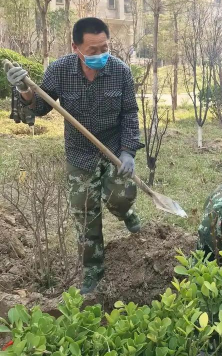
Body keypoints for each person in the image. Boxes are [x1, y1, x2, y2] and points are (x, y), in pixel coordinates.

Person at [6, 17, 144, 294]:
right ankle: (93, 271)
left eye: (105, 48)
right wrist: (24, 89)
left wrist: (128, 152)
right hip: (80, 154)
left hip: (114, 149)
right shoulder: (59, 70)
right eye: (93, 50)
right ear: (75, 47)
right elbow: (40, 108)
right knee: (85, 215)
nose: (100, 55)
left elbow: (130, 113)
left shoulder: (120, 71)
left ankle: (125, 212)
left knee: (120, 197)